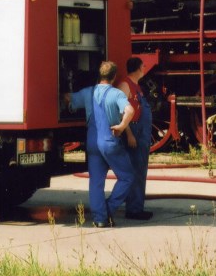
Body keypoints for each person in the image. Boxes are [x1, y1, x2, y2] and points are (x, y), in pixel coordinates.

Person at [64, 61, 138, 227]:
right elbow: (130, 110)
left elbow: (68, 98)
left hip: (92, 142)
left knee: (96, 181)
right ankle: (108, 209)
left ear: (100, 75)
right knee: (127, 177)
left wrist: (68, 100)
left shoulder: (88, 92)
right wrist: (121, 126)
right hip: (109, 141)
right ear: (114, 77)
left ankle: (99, 219)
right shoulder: (116, 94)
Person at [118, 57, 154, 221]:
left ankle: (137, 207)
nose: (144, 69)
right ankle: (133, 209)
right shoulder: (125, 85)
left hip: (141, 132)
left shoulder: (137, 86)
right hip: (133, 131)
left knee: (140, 170)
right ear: (138, 68)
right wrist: (129, 134)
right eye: (143, 66)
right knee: (135, 170)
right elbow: (121, 112)